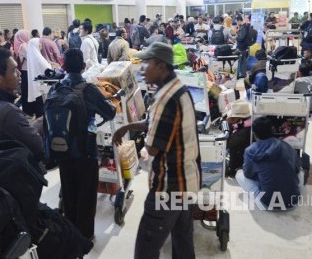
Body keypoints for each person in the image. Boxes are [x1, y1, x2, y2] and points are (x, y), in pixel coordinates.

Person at [112, 42, 200, 259]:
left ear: (161, 66)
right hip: (187, 183)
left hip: (167, 189)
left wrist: (139, 146)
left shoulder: (165, 99)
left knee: (146, 248)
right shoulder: (179, 88)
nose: (142, 69)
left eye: (147, 63)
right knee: (182, 243)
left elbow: (151, 148)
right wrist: (127, 126)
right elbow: (155, 122)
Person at [54, 48, 115, 240]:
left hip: (62, 149)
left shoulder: (56, 87)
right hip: (86, 150)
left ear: (63, 66)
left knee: (69, 191)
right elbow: (110, 113)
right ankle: (85, 235)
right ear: (82, 67)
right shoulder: (88, 90)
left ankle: (70, 232)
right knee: (87, 194)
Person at [0, 48, 43, 158]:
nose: (19, 74)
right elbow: (39, 147)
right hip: (8, 170)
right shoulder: (7, 111)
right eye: (13, 70)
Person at [235, 116, 302, 210]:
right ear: (272, 130)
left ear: (254, 134)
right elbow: (297, 168)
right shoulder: (286, 145)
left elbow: (248, 174)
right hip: (293, 202)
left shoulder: (250, 150)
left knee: (239, 174)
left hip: (267, 203)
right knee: (299, 173)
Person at [226, 99, 252, 177]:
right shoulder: (244, 123)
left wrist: (230, 126)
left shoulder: (245, 129)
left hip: (240, 158)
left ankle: (233, 170)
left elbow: (229, 143)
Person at [27, 38, 50, 118]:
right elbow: (47, 69)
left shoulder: (34, 55)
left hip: (38, 83)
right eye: (39, 43)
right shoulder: (37, 57)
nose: (41, 44)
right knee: (43, 103)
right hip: (42, 85)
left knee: (40, 103)